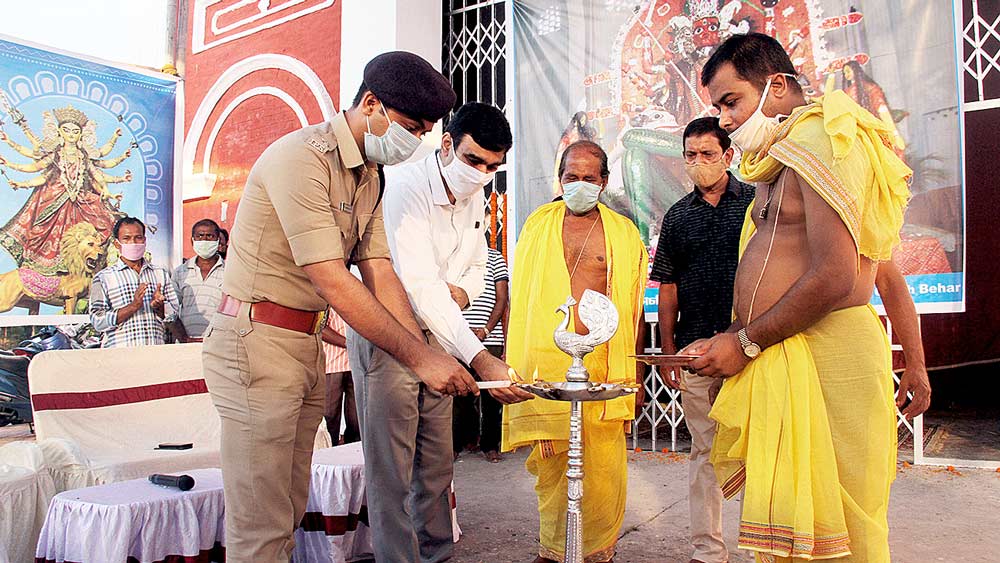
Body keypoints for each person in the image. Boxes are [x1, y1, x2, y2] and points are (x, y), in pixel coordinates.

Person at [201, 51, 479, 563]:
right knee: (259, 524)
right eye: (411, 128)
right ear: (370, 104)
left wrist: (424, 354)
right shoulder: (300, 159)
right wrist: (421, 359)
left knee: (288, 507)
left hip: (300, 344)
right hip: (254, 343)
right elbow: (331, 277)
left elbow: (378, 270)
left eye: (423, 133)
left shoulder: (369, 174)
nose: (415, 143)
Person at [685, 33, 929, 563]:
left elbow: (841, 276)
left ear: (775, 86)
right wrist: (729, 337)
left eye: (731, 102)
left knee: (841, 535)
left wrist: (745, 342)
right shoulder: (781, 159)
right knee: (800, 536)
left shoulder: (822, 140)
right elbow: (809, 267)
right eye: (717, 107)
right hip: (789, 355)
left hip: (831, 360)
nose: (724, 120)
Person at [355, 101, 532, 563]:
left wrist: (462, 294)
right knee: (390, 470)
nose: (481, 174)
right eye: (474, 160)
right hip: (391, 336)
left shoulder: (476, 195)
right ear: (448, 143)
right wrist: (480, 357)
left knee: (436, 465)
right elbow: (416, 287)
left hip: (443, 337)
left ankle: (437, 555)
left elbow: (479, 264)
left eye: (494, 167)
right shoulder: (403, 188)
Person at [502, 141, 648, 563]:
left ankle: (598, 552)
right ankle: (553, 550)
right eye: (571, 177)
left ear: (603, 181)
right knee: (554, 470)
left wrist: (633, 377)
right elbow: (524, 303)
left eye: (589, 178)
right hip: (550, 364)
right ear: (559, 179)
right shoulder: (537, 225)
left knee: (601, 474)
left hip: (604, 366)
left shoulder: (622, 232)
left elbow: (633, 309)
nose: (579, 185)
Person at [650, 116, 754, 563]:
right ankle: (707, 551)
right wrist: (670, 350)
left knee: (760, 450)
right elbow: (667, 286)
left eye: (707, 155)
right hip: (695, 353)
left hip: (753, 347)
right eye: (690, 156)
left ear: (729, 156)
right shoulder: (677, 216)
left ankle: (764, 546)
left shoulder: (756, 203)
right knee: (705, 452)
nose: (697, 164)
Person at [456, 244, 511, 462]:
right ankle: (459, 442)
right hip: (457, 338)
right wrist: (460, 331)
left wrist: (486, 329)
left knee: (492, 395)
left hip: (491, 338)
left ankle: (490, 445)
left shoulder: (495, 258)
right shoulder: (454, 256)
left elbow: (501, 299)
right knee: (459, 393)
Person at [89, 216, 178, 348]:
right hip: (120, 356)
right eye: (127, 238)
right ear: (117, 244)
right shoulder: (104, 278)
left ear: (145, 240)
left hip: (154, 354)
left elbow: (174, 315)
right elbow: (97, 320)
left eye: (138, 237)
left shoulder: (160, 274)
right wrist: (133, 306)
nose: (133, 242)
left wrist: (160, 308)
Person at [170, 218, 225, 342]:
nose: (204, 240)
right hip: (186, 342)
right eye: (200, 236)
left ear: (218, 240)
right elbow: (171, 309)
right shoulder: (180, 272)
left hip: (219, 343)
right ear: (192, 240)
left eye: (210, 236)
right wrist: (183, 337)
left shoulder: (230, 271)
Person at [322, 308, 358, 444]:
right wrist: (349, 343)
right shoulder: (327, 296)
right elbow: (321, 328)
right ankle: (329, 457)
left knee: (357, 421)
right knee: (330, 418)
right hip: (332, 365)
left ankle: (353, 460)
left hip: (356, 364)